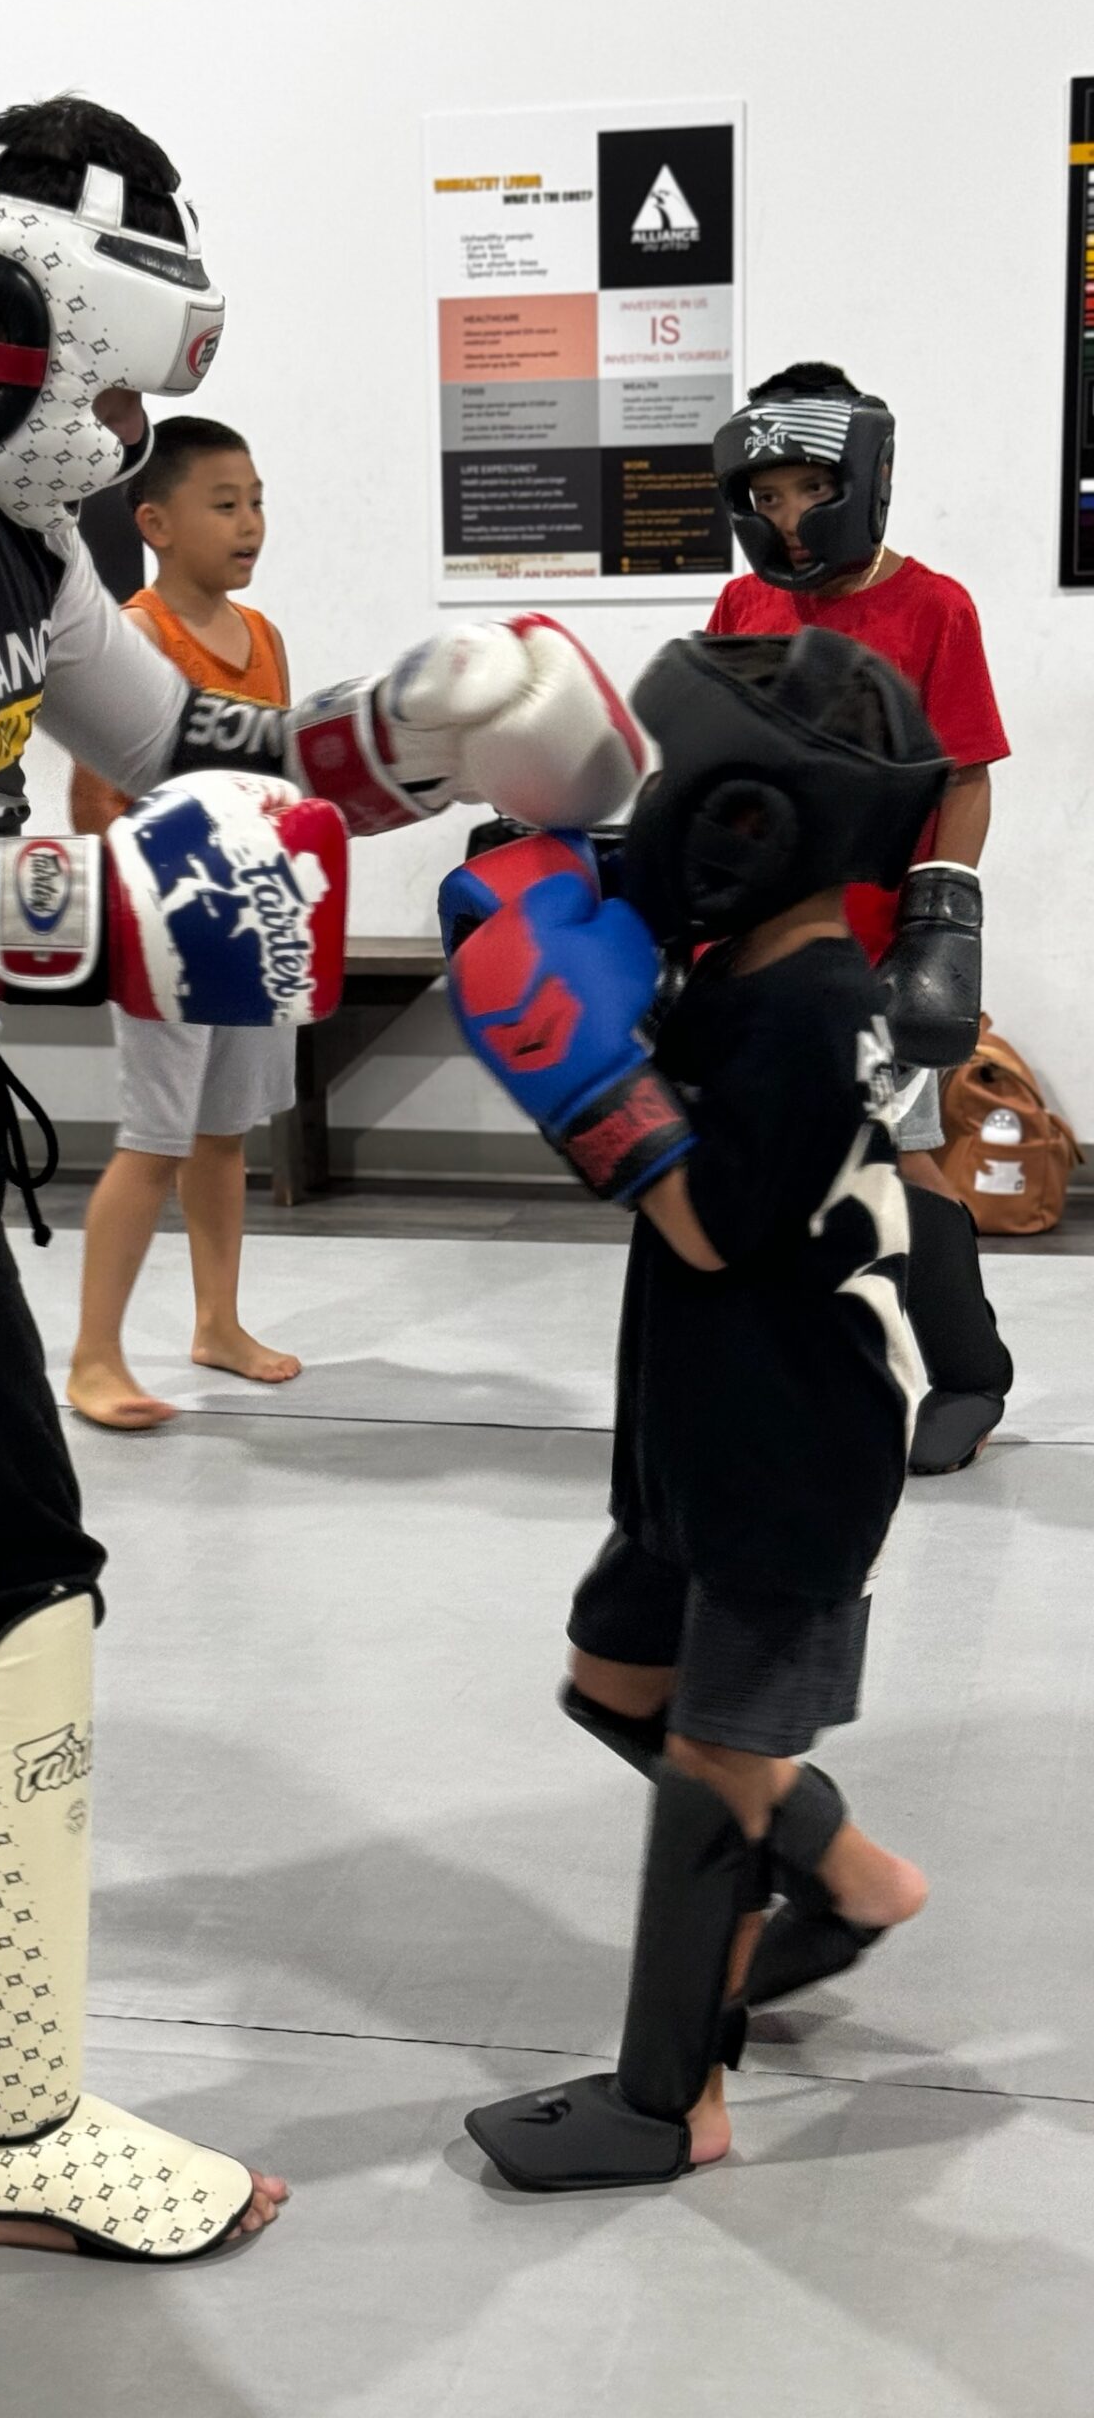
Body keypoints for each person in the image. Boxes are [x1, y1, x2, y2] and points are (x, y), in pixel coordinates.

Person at [0, 92, 645, 2258]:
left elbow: (173, 743)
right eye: (106, 376)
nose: (124, 425)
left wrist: (419, 728)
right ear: (2, 321)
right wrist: (88, 922)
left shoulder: (2, 513)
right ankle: (8, 2136)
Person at [441, 629, 941, 2190]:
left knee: (718, 1772)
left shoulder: (811, 1009)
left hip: (789, 1456)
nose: (645, 807)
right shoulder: (753, 974)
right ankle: (855, 1879)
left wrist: (582, 1077)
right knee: (615, 1685)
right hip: (696, 1421)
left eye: (672, 783)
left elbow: (714, 1220)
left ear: (752, 818)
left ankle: (673, 2103)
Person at [708, 362, 1013, 1474]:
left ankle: (970, 1373)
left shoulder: (933, 606)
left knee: (904, 1159)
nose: (788, 519)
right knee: (778, 1163)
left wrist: (942, 924)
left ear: (863, 477)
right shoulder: (746, 604)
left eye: (808, 490)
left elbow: (967, 775)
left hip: (875, 948)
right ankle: (806, 1372)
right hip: (765, 939)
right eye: (768, 496)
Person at [67, 417, 300, 1430]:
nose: (249, 523)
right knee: (153, 1142)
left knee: (221, 1137)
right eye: (224, 504)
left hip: (252, 919)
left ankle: (218, 1323)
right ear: (154, 522)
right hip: (163, 928)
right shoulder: (134, 634)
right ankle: (93, 1356)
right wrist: (142, 911)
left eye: (255, 501)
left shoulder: (266, 639)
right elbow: (92, 800)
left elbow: (276, 778)